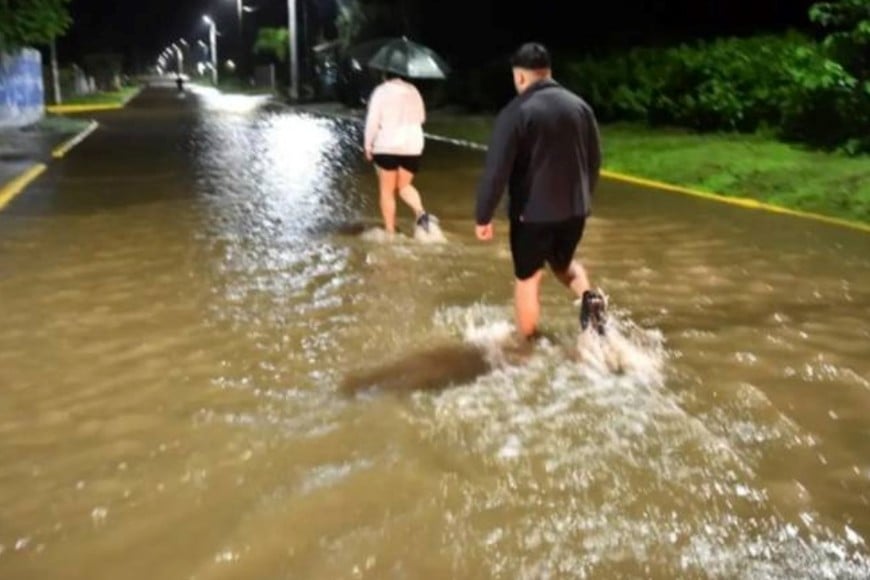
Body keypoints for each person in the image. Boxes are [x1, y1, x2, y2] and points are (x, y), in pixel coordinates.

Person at [474, 42, 607, 340]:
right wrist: (584, 199)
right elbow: (594, 159)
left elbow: (497, 170)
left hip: (531, 215)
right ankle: (591, 298)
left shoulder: (516, 112)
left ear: (520, 77)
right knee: (563, 264)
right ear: (547, 72)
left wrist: (483, 216)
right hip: (575, 210)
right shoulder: (580, 107)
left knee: (528, 277)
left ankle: (527, 348)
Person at [364, 71, 437, 238]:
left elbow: (373, 120)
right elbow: (422, 117)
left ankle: (390, 233)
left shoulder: (381, 91)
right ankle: (420, 213)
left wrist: (368, 145)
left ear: (384, 75)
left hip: (387, 145)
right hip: (413, 146)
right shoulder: (413, 90)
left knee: (387, 191)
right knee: (404, 186)